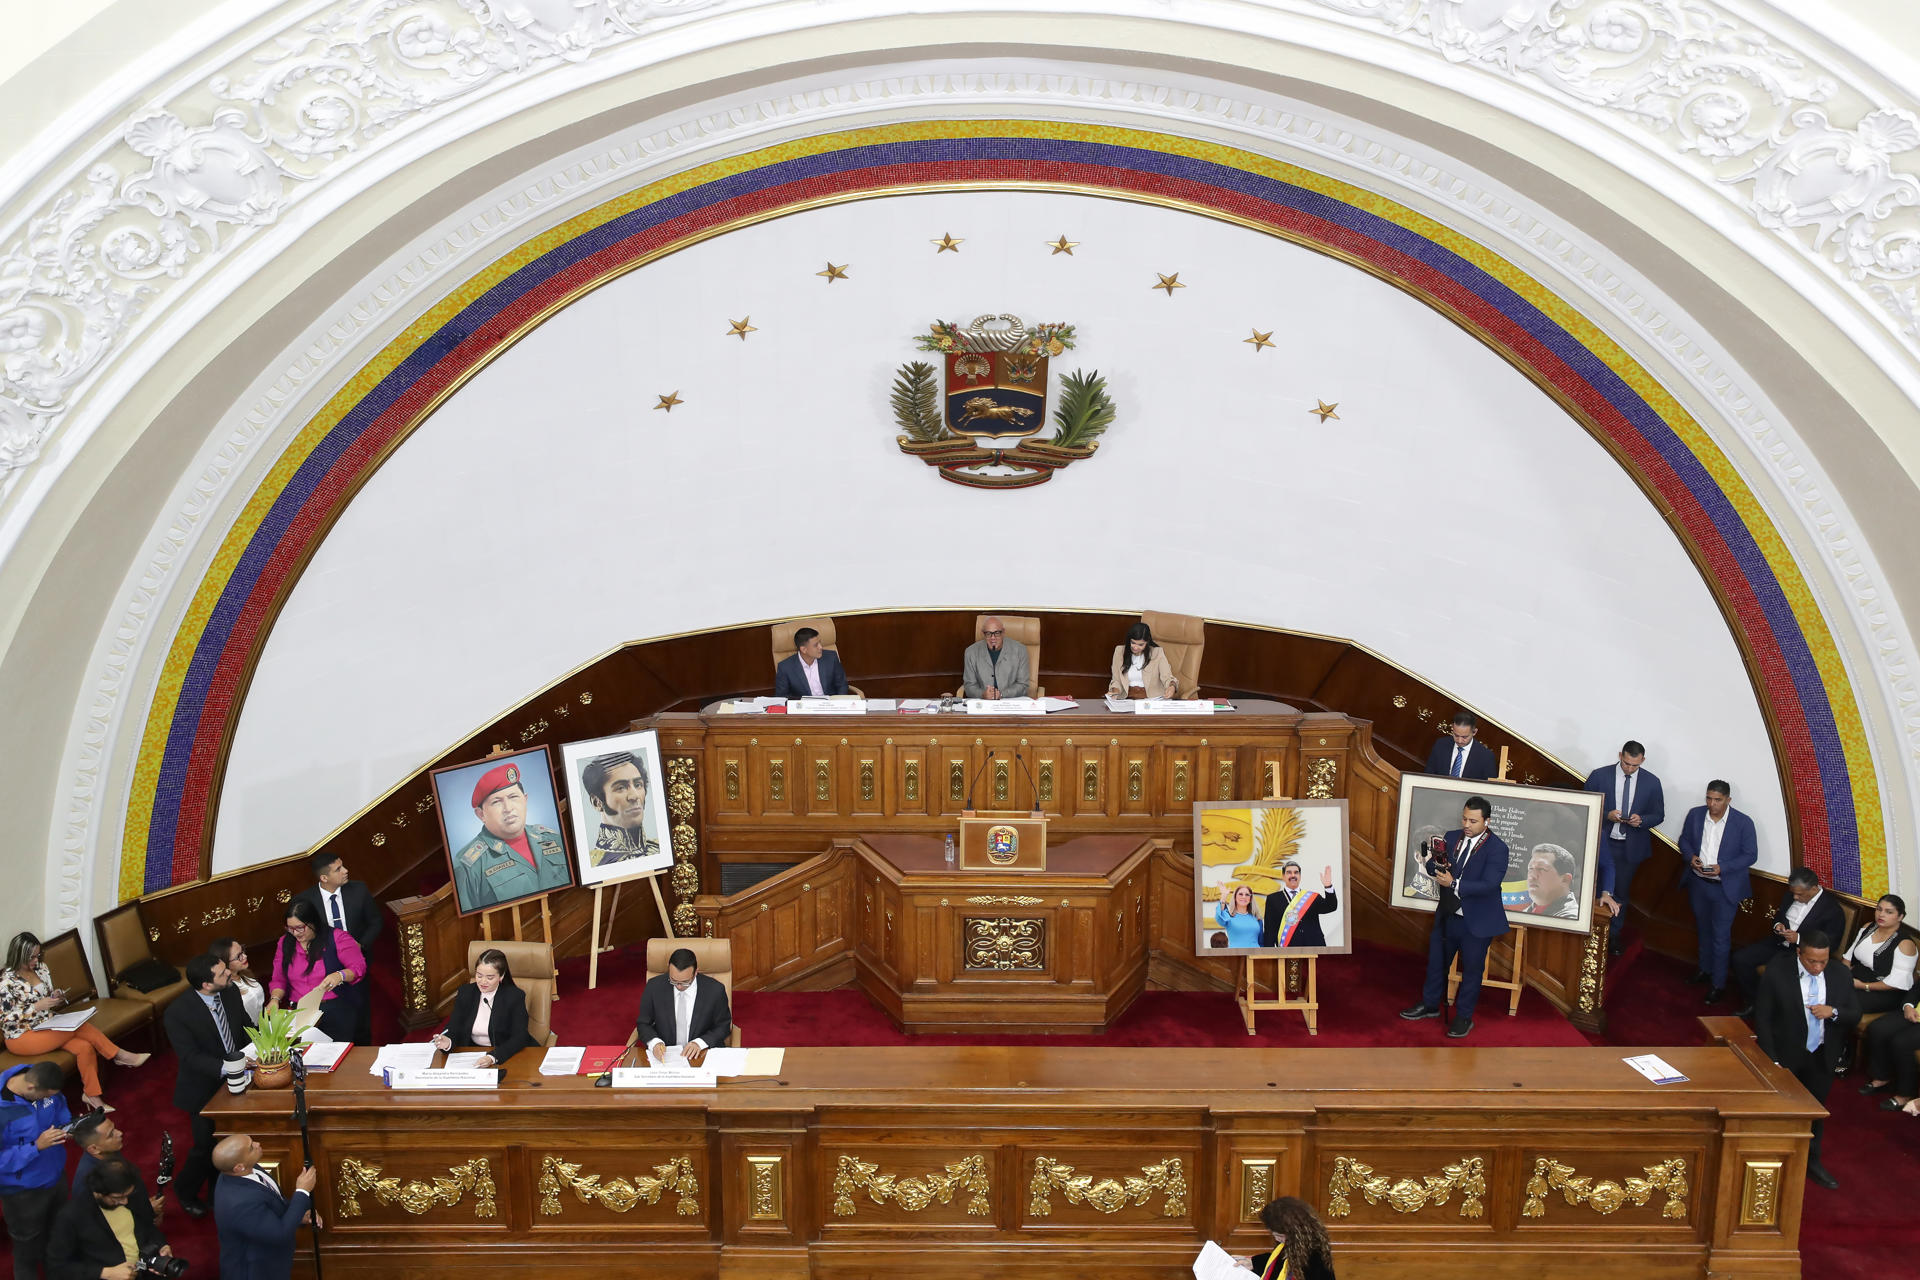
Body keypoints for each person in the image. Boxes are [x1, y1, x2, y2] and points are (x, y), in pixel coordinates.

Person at [1752, 931, 1856, 1189]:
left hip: (1822, 1055)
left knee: (1815, 1111)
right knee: (1779, 1110)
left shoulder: (1840, 975)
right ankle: (1767, 1161)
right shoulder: (1777, 971)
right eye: (1812, 961)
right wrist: (1772, 1060)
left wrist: (1834, 1012)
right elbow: (1763, 1017)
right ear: (1799, 953)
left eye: (1823, 961)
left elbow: (1855, 1013)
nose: (1818, 967)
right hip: (1786, 1055)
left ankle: (1811, 1161)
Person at [1399, 798, 1511, 1038]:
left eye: (1473, 820)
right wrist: (1434, 864)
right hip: (1448, 915)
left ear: (1486, 821)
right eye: (1464, 818)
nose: (1466, 824)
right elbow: (1433, 869)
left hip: (1477, 921)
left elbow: (1490, 885)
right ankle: (1429, 1006)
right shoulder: (1451, 837)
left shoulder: (1498, 848)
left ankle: (1463, 1017)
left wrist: (1455, 883)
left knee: (1471, 970)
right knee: (1436, 962)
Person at [1, 932, 149, 1112]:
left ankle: (93, 1097)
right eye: (31, 957)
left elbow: (44, 994)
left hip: (47, 1025)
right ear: (18, 956)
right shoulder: (6, 982)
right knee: (79, 1027)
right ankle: (120, 1055)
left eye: (38, 955)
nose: (35, 960)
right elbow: (6, 1019)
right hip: (22, 1037)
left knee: (84, 1046)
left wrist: (55, 996)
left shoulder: (41, 967)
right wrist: (36, 1007)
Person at [162, 950, 253, 1218]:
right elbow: (189, 1057)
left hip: (239, 1077)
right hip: (203, 1086)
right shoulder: (177, 1013)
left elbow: (245, 1027)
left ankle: (217, 1192)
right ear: (205, 984)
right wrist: (227, 1067)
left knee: (230, 1138)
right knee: (205, 1146)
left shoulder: (231, 992)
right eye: (223, 973)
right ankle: (186, 1190)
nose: (229, 973)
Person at [451, 762, 572, 911]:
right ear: (481, 814)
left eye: (513, 797)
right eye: (496, 802)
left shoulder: (552, 838)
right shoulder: (469, 864)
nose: (508, 808)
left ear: (525, 800)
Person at [1582, 741, 1665, 956]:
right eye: (1626, 763)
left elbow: (1659, 814)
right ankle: (1586, 933)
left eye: (1634, 766)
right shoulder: (1600, 775)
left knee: (1620, 893)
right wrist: (1606, 814)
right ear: (1620, 755)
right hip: (1601, 842)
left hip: (1630, 847)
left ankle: (1612, 936)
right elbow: (1583, 804)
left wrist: (1643, 820)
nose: (1629, 768)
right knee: (1592, 887)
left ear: (1642, 761)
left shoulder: (1652, 782)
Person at [1678, 781, 1758, 1004]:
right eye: (1709, 798)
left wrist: (1723, 867)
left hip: (1724, 888)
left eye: (1717, 800)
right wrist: (1690, 856)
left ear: (1728, 800)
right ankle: (1704, 970)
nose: (1712, 804)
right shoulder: (1695, 814)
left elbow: (1751, 855)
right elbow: (1684, 840)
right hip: (1698, 884)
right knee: (1703, 930)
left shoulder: (1743, 822)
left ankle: (1718, 983)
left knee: (1721, 937)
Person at [293, 856, 383, 1047]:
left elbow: (375, 922)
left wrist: (360, 945)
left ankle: (362, 1048)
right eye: (338, 869)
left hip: (357, 963)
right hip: (324, 968)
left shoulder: (359, 890)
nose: (345, 871)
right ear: (324, 878)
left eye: (343, 866)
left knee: (361, 1011)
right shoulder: (305, 901)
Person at [1733, 868, 1847, 1017]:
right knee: (1740, 959)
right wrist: (1778, 926)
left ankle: (1773, 1012)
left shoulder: (1832, 910)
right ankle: (1753, 1002)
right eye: (1793, 892)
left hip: (1801, 954)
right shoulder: (1790, 895)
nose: (1795, 897)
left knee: (1775, 973)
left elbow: (1831, 943)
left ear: (1814, 888)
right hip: (1778, 943)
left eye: (1799, 894)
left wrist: (1799, 939)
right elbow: (1779, 916)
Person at [0, 1060, 71, 1278]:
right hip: (22, 1193)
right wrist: (36, 1147)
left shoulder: (42, 1079)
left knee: (58, 1236)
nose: (46, 1099)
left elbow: (61, 1109)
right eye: (43, 1096)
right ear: (31, 1088)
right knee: (27, 1250)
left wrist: (67, 1127)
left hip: (56, 1177)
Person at [212, 1134, 318, 1278]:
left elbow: (273, 1201)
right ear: (239, 1167)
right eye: (251, 1147)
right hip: (256, 1270)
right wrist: (303, 1191)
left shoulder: (246, 1168)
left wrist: (298, 1215)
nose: (257, 1144)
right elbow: (280, 1234)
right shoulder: (240, 1204)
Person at [47, 1157, 169, 1280]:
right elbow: (57, 1267)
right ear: (98, 1192)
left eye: (127, 1195)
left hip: (143, 1269)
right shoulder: (71, 1216)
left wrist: (162, 1245)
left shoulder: (130, 1193)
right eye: (117, 1197)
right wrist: (105, 1273)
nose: (125, 1201)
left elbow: (148, 1226)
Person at [268, 898, 366, 1044]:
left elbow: (358, 968)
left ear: (313, 922)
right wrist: (275, 999)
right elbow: (278, 979)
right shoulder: (285, 943)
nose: (295, 933)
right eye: (290, 928)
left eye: (300, 928)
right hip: (300, 1011)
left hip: (334, 1008)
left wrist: (340, 975)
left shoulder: (337, 938)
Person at [1836, 894, 1916, 1073]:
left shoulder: (1905, 944)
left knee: (1845, 1002)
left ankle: (1843, 1052)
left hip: (1886, 992)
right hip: (1856, 980)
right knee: (1830, 990)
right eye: (1879, 909)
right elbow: (1848, 957)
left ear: (1900, 917)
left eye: (1889, 912)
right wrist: (1842, 976)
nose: (1881, 914)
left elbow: (1897, 983)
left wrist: (1862, 986)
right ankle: (1827, 1043)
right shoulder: (1867, 928)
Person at [430, 948, 534, 1067]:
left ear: (501, 976)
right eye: (479, 976)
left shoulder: (514, 996)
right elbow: (454, 1027)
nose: (483, 982)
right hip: (472, 1053)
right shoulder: (466, 992)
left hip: (505, 1053)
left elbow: (520, 1036)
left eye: (490, 977)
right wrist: (448, 1042)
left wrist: (493, 1057)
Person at [637, 947, 731, 1067]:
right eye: (674, 981)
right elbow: (643, 1023)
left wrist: (700, 1043)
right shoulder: (654, 987)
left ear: (696, 972)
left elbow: (723, 1026)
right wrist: (655, 1043)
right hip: (665, 1058)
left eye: (685, 982)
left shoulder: (715, 990)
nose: (679, 986)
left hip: (701, 1056)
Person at [66, 1112, 164, 1221]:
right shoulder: (87, 1184)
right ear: (94, 1149)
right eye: (111, 1134)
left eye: (114, 1128)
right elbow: (101, 1223)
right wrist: (146, 1212)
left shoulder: (108, 1151)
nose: (120, 1133)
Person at [581, 751, 662, 867]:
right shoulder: (592, 864)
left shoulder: (661, 849)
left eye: (638, 785)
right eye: (621, 788)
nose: (634, 796)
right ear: (597, 802)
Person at [1239, 1195, 1336, 1279]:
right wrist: (1254, 1263)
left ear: (1295, 1233)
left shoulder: (1313, 1258)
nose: (1277, 1239)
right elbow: (1281, 1262)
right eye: (1273, 1234)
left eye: (1279, 1235)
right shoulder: (1297, 1245)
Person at [1258, 861, 1340, 948]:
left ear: (1300, 876)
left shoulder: (1312, 897)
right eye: (1289, 872)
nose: (1293, 875)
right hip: (1287, 947)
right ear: (1283, 876)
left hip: (1314, 945)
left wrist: (1328, 886)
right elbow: (1270, 930)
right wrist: (1269, 953)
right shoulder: (1273, 899)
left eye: (1296, 872)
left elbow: (1331, 906)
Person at [961, 616, 1030, 700]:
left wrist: (1001, 694)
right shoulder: (971, 652)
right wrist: (982, 694)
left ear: (1003, 632)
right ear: (983, 634)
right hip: (983, 703)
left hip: (1010, 702)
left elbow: (1023, 685)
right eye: (988, 633)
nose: (992, 638)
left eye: (997, 633)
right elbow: (969, 686)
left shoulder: (1020, 650)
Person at [773, 626, 850, 699]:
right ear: (804, 649)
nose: (820, 647)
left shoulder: (831, 658)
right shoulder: (785, 667)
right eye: (816, 645)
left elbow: (842, 685)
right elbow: (782, 697)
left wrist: (839, 704)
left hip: (830, 706)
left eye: (820, 642)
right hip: (805, 710)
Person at [1106, 622, 1177, 700]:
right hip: (1127, 698)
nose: (1135, 647)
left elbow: (1167, 677)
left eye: (1140, 645)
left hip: (1151, 699)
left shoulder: (1157, 653)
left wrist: (1172, 686)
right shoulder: (1119, 652)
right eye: (1133, 643)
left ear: (1147, 643)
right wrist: (1115, 691)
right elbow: (1116, 680)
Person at [210, 936, 268, 1024]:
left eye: (242, 951)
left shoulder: (245, 973)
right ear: (224, 963)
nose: (245, 956)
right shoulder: (224, 990)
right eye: (238, 956)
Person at [1422, 712, 1494, 780]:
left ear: (1474, 732)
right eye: (1456, 735)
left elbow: (1487, 787)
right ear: (1452, 728)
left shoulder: (1486, 756)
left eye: (1464, 737)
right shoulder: (1441, 744)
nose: (1459, 741)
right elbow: (1429, 773)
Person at [1520, 844, 1580, 919]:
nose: (1532, 876)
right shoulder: (1525, 913)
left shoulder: (1570, 918)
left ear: (1565, 880)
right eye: (1531, 868)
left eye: (1541, 869)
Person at [1213, 883, 1264, 948]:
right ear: (1235, 897)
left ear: (1250, 899)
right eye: (1240, 894)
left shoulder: (1257, 918)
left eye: (1247, 895)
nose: (1244, 897)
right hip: (1235, 956)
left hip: (1254, 956)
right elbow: (1219, 917)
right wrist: (1224, 896)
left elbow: (1261, 942)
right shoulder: (1229, 917)